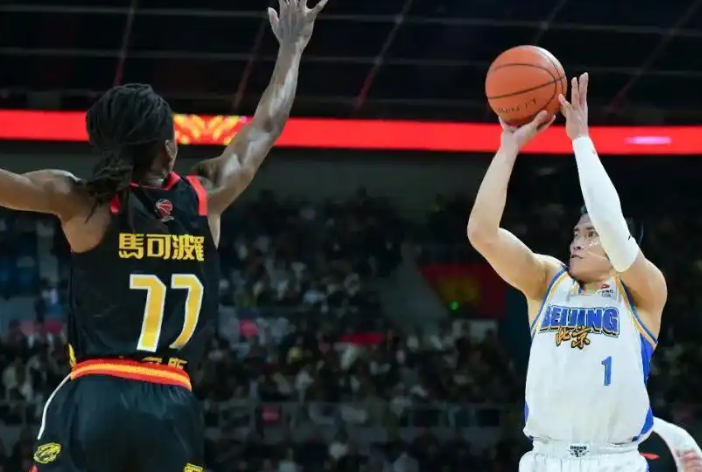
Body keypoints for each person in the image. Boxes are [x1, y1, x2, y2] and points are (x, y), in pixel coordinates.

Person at [20, 1, 327, 471]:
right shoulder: (208, 196)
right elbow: (266, 126)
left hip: (98, 392)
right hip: (171, 403)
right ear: (169, 149)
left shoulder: (84, 202)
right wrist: (292, 48)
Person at [467, 73, 667, 472]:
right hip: (546, 459)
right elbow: (482, 233)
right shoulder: (547, 280)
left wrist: (581, 140)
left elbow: (613, 226)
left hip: (615, 462)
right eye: (576, 233)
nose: (577, 241)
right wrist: (508, 149)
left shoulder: (643, 291)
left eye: (590, 235)